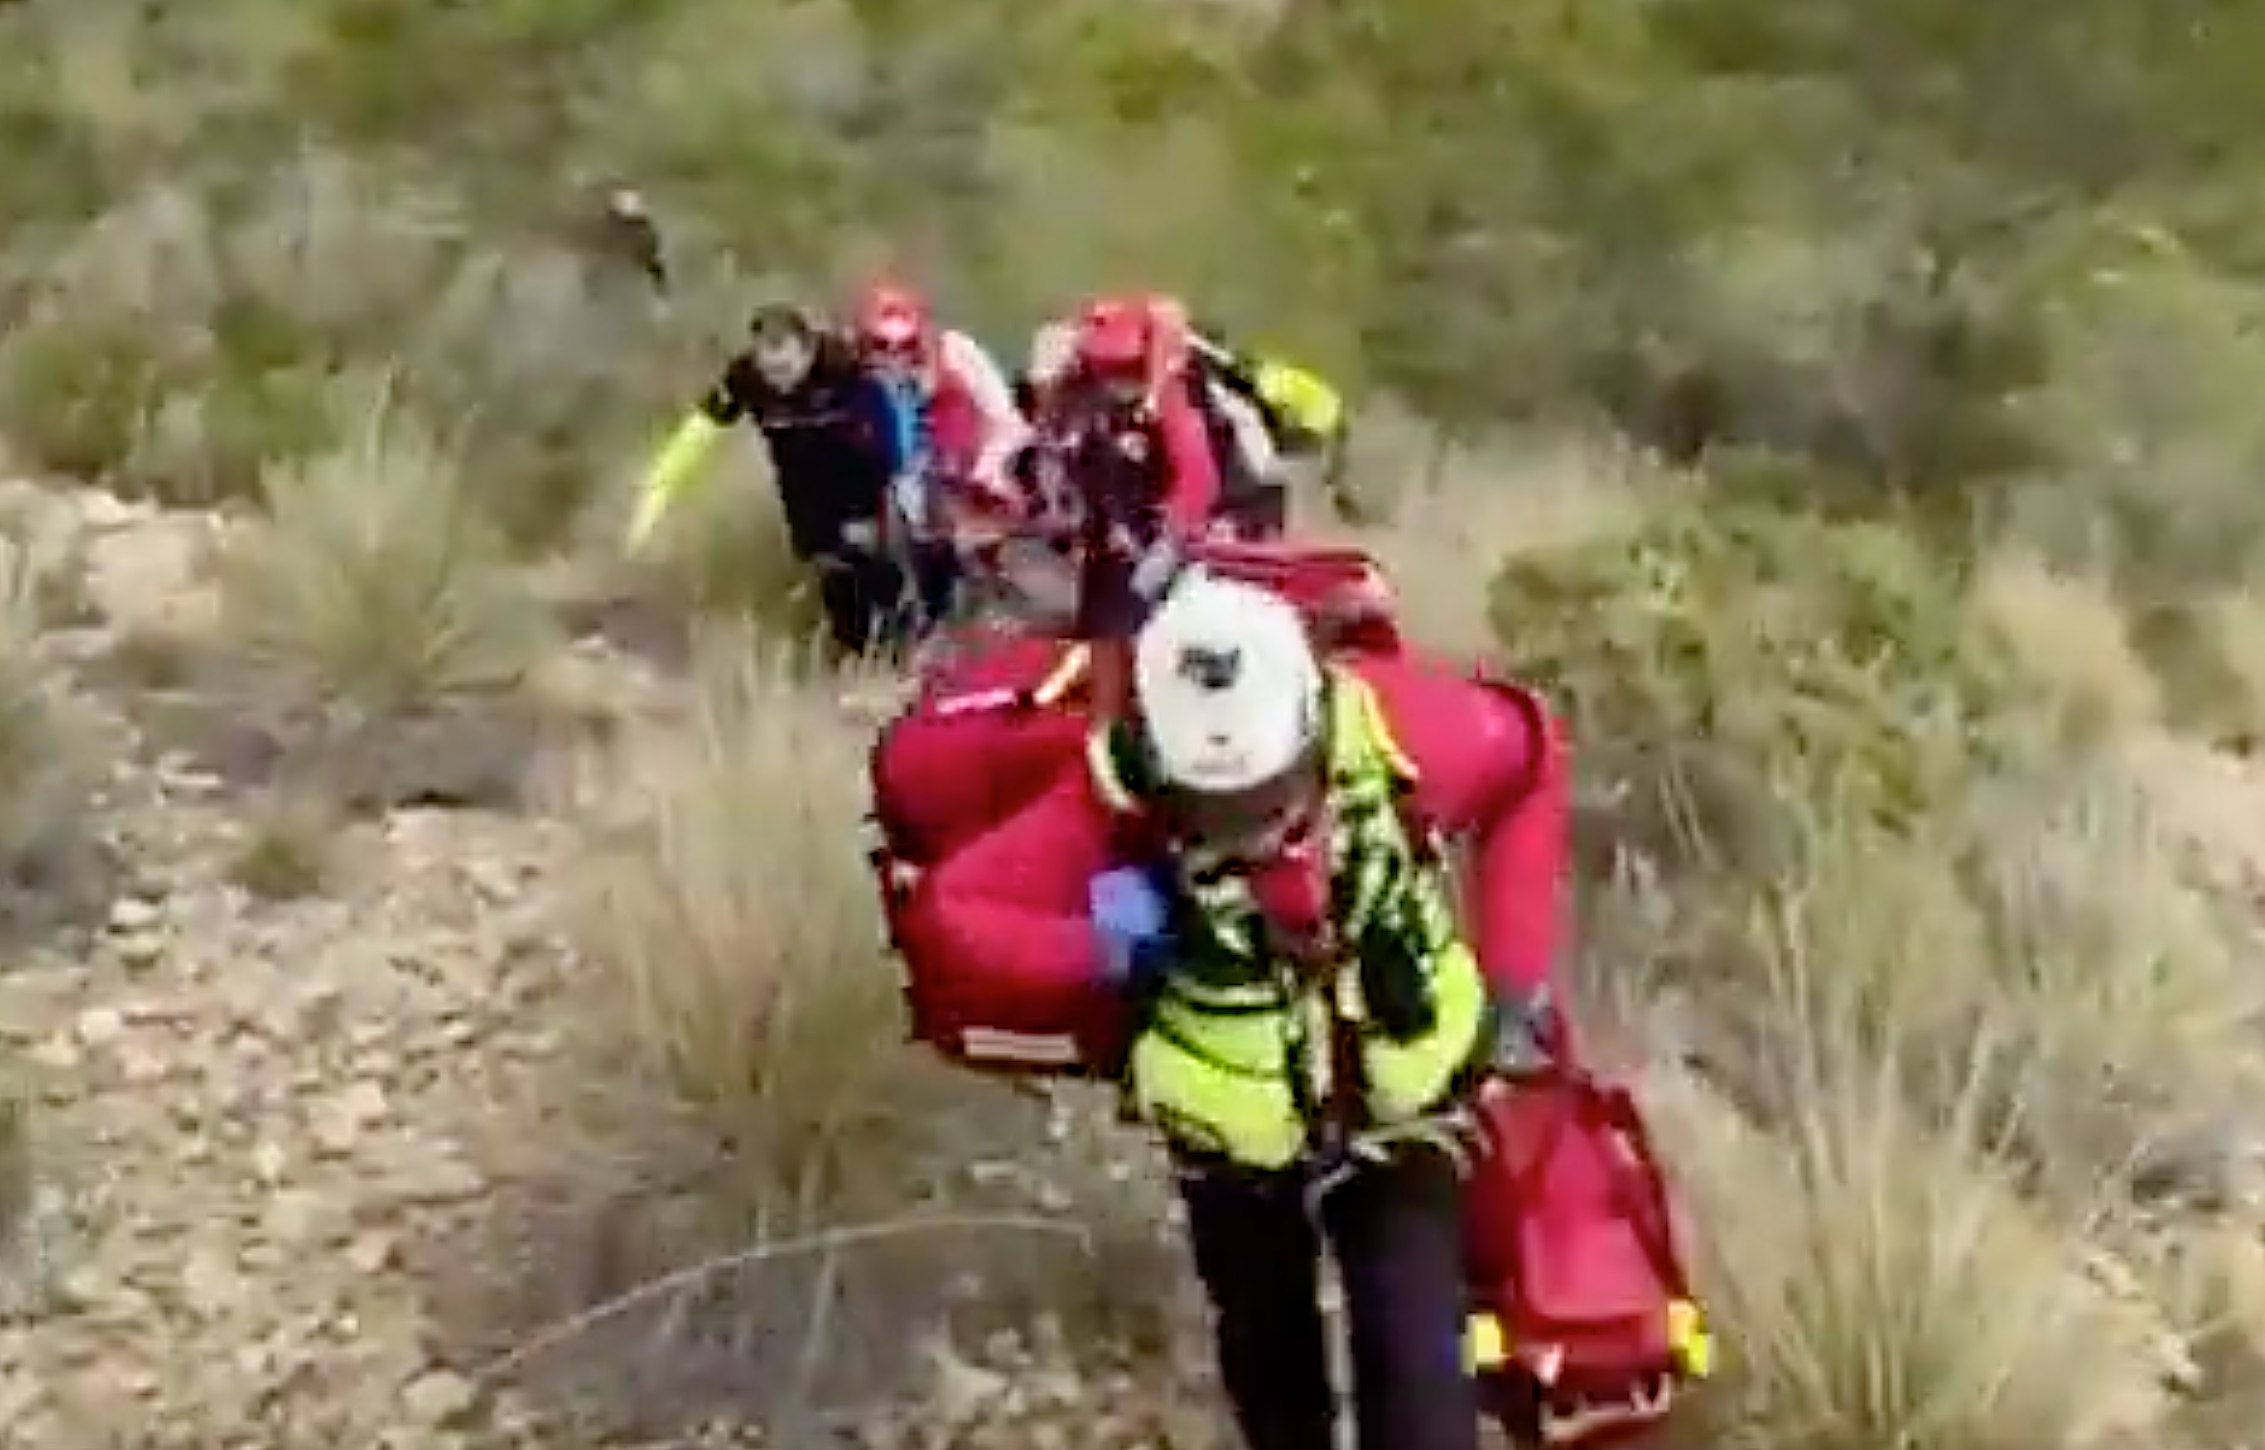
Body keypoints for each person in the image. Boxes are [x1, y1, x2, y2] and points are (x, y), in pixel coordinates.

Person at [893, 568, 1569, 1450]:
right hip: (1229, 1131)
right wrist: (1104, 951)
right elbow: (952, 917)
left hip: (1403, 1103)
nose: (1249, 832)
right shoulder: (1111, 797)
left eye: (1267, 795)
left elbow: (1531, 752)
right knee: (1267, 1357)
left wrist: (1516, 979)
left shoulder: (1410, 732)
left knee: (1416, 1377)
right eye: (1214, 809)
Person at [627, 303, 910, 654]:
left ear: (808, 352)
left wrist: (891, 489)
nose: (778, 382)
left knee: (873, 564)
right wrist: (657, 487)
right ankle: (856, 656)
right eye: (769, 369)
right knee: (828, 568)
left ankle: (903, 647)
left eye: (786, 369)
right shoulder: (746, 379)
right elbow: (698, 434)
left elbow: (892, 431)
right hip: (800, 481)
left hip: (860, 470)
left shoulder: (846, 369)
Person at [846, 280, 1031, 635]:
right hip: (913, 507)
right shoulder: (862, 381)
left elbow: (1010, 424)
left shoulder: (956, 353)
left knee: (993, 582)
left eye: (905, 345)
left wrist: (985, 471)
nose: (894, 355)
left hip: (976, 489)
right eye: (881, 346)